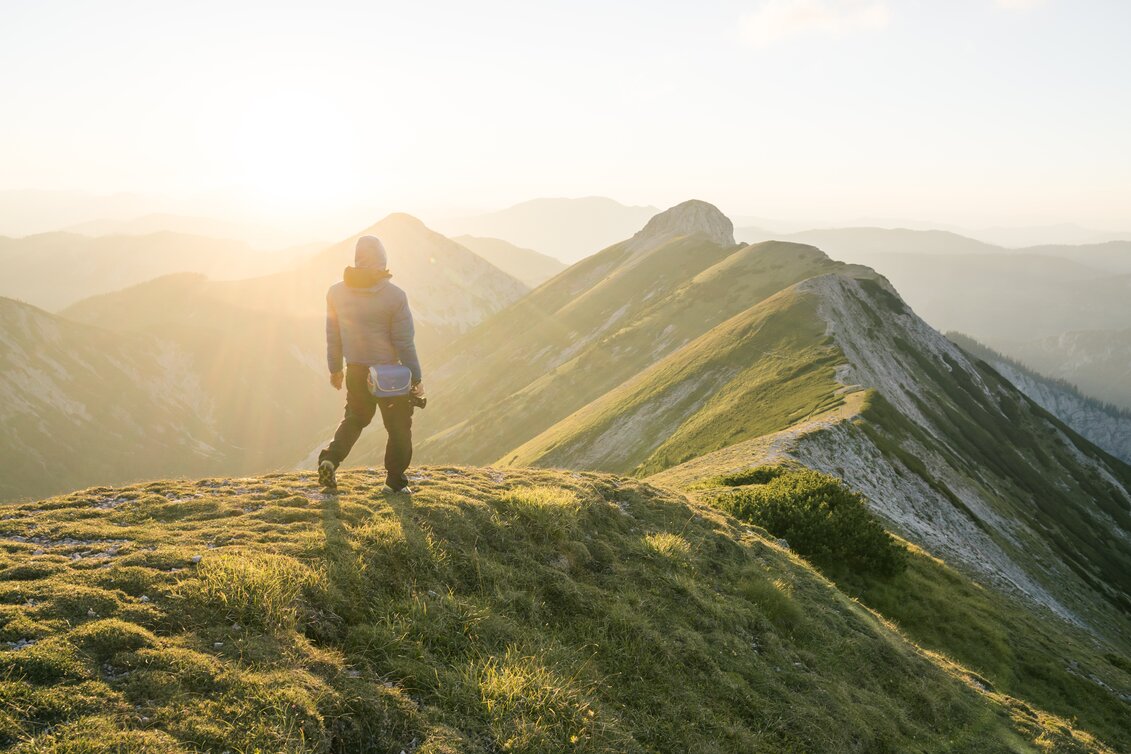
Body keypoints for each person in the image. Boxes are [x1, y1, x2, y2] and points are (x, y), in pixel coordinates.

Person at [318, 235, 424, 492]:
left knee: (355, 419)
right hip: (390, 376)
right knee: (398, 427)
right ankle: (395, 482)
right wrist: (417, 379)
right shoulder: (395, 296)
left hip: (355, 370)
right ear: (382, 261)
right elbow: (404, 343)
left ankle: (330, 460)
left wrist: (335, 369)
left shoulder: (336, 292)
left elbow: (333, 335)